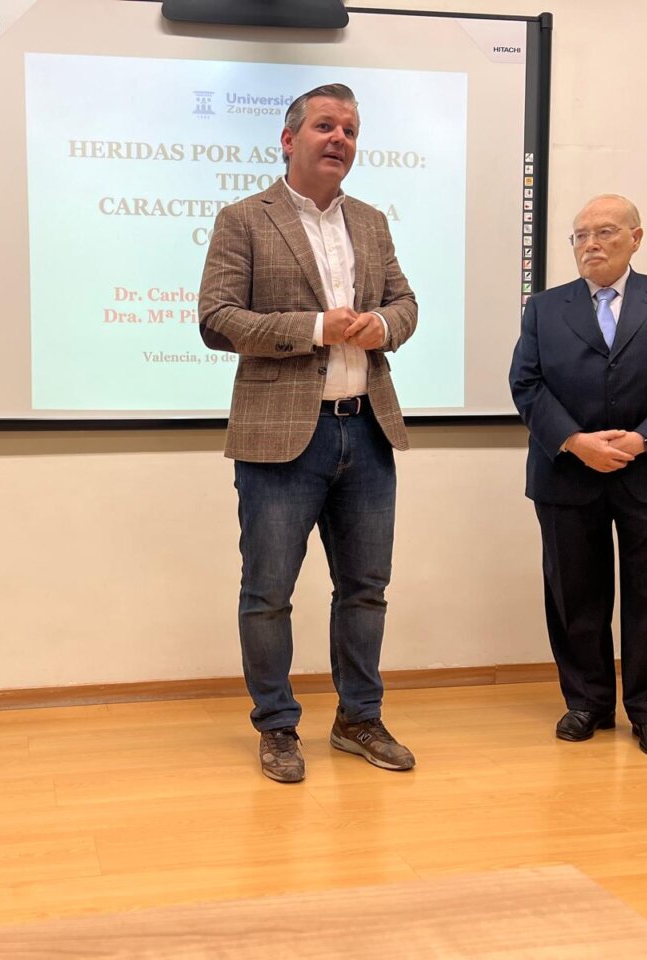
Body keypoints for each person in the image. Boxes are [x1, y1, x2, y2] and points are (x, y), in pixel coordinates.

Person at [198, 83, 418, 783]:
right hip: (280, 440)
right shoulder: (244, 218)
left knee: (365, 590)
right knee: (268, 593)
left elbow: (406, 303)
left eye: (350, 129)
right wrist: (317, 327)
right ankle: (277, 726)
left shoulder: (373, 222)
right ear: (289, 140)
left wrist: (382, 325)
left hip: (368, 431)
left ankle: (359, 719)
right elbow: (217, 317)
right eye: (325, 126)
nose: (340, 139)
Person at [509, 194, 647, 758]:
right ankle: (587, 704)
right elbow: (526, 384)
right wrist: (575, 442)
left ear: (636, 237)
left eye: (604, 232)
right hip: (567, 476)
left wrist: (644, 439)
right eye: (579, 235)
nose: (590, 244)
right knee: (575, 595)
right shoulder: (545, 308)